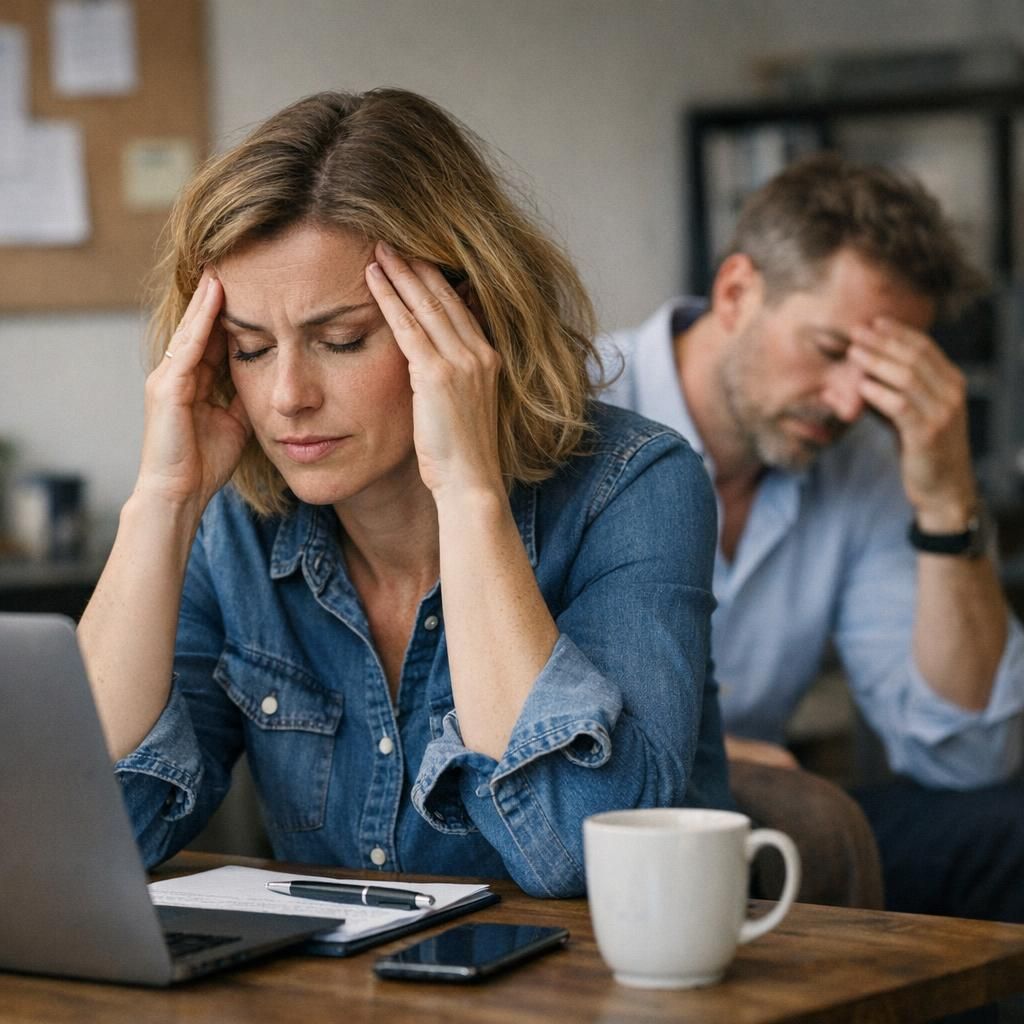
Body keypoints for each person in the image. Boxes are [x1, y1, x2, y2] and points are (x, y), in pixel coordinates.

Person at [77, 88, 730, 898]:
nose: (287, 396)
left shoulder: (634, 488)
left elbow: (583, 850)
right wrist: (164, 500)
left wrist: (467, 492)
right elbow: (93, 838)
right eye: (248, 349)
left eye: (341, 340)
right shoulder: (237, 526)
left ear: (464, 322)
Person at [602, 153, 1024, 920]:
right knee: (807, 822)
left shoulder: (860, 460)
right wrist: (713, 754)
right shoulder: (573, 405)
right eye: (831, 351)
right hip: (598, 807)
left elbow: (967, 756)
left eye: (880, 372)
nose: (849, 401)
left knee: (1007, 833)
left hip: (767, 820)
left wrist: (946, 501)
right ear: (736, 292)